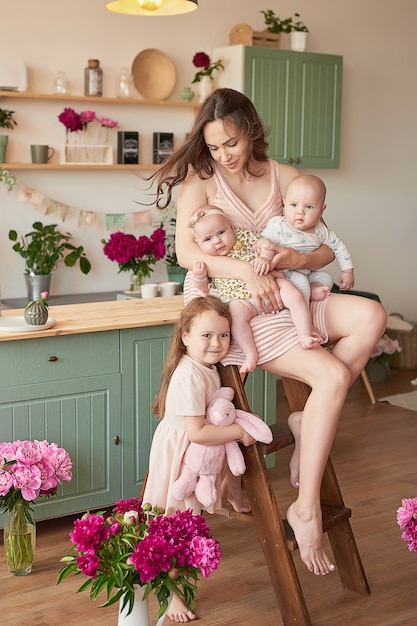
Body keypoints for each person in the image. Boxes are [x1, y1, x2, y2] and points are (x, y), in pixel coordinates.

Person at [146, 88, 386, 583]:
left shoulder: (287, 176)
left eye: (230, 142)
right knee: (334, 376)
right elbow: (189, 254)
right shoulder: (201, 183)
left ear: (250, 131)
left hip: (292, 294)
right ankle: (306, 508)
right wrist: (247, 271)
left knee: (371, 317)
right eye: (213, 147)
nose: (223, 155)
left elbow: (321, 249)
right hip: (248, 314)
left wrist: (291, 260)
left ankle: (309, 418)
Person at [142, 295, 256, 622]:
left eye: (223, 335)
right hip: (181, 452)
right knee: (176, 524)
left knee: (185, 520)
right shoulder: (190, 375)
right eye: (206, 335)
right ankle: (169, 596)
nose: (216, 343)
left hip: (193, 450)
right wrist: (236, 431)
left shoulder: (205, 366)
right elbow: (198, 433)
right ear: (185, 336)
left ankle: (230, 487)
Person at [189, 204, 325, 373]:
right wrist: (199, 276)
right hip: (240, 300)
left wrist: (265, 258)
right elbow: (204, 290)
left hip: (270, 285)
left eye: (221, 233)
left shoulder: (242, 236)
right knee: (236, 319)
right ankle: (250, 353)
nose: (217, 241)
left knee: (294, 294)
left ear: (231, 227)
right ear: (198, 243)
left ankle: (305, 333)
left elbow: (266, 245)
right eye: (208, 239)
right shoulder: (209, 261)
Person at [258, 173, 354, 304]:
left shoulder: (321, 230)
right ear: (284, 204)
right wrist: (264, 258)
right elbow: (263, 243)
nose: (300, 211)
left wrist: (347, 271)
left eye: (308, 207)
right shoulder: (279, 225)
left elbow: (339, 247)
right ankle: (301, 315)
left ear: (321, 210)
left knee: (326, 278)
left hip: (306, 272)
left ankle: (312, 290)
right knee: (301, 282)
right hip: (285, 275)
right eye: (293, 205)